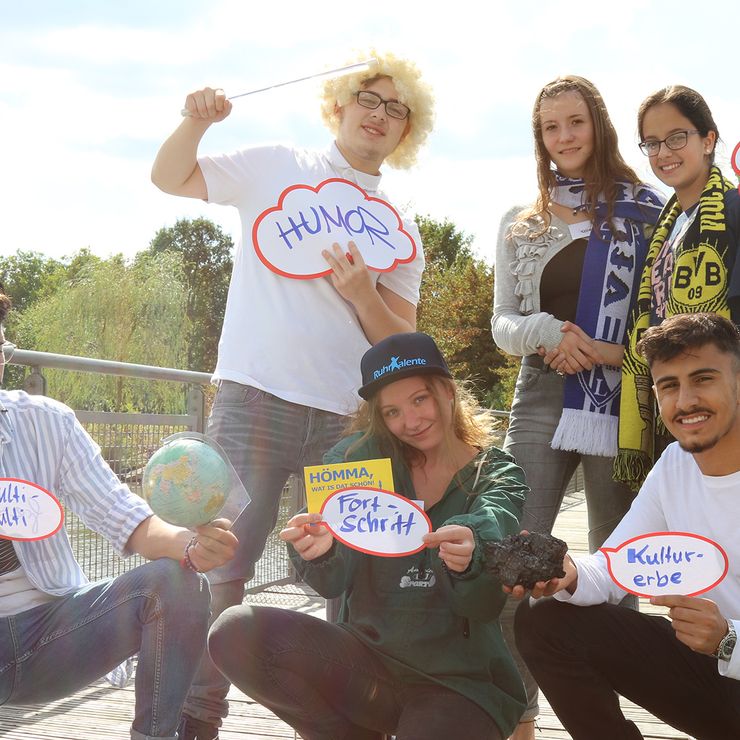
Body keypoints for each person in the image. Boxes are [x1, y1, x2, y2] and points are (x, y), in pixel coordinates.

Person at [150, 52, 434, 739]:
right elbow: (169, 176)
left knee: (353, 570)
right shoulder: (278, 164)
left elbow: (404, 342)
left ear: (407, 129)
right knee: (223, 563)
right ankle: (198, 718)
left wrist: (364, 291)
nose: (379, 113)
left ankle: (343, 716)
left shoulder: (401, 228)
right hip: (253, 399)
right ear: (338, 104)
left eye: (396, 108)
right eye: (368, 97)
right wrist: (194, 122)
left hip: (349, 416)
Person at [207, 332, 528, 739]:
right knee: (233, 631)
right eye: (392, 411)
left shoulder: (497, 470)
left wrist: (473, 549)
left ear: (448, 392)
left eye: (419, 399)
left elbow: (485, 580)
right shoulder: (354, 463)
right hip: (365, 665)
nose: (410, 422)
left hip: (459, 682)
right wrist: (317, 551)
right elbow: (331, 582)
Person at [491, 74, 664, 737]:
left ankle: (604, 718)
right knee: (518, 558)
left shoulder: (646, 211)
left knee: (612, 567)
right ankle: (519, 715)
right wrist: (548, 335)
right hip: (538, 394)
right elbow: (504, 324)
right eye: (550, 127)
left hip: (620, 402)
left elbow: (663, 321)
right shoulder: (521, 220)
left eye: (575, 122)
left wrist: (606, 354)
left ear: (599, 126)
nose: (563, 137)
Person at [0, 290, 238, 740]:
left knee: (178, 581)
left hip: (47, 636)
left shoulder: (46, 422)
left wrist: (191, 545)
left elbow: (123, 513)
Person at [513, 312, 740, 739]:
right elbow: (615, 566)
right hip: (711, 672)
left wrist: (730, 641)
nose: (685, 401)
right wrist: (569, 574)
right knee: (545, 619)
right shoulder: (674, 465)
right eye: (669, 386)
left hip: (729, 650)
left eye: (703, 379)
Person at [616, 85, 740, 491]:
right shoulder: (666, 230)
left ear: (708, 140)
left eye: (676, 137)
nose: (663, 152)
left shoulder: (734, 210)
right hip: (677, 405)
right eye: (652, 143)